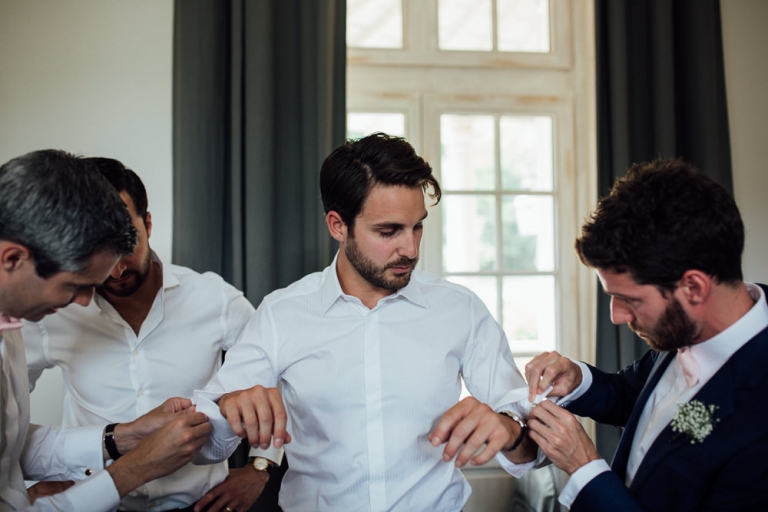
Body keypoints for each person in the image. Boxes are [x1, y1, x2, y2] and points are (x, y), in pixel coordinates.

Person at [191, 132, 542, 511]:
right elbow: (206, 446)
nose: (410, 248)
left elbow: (531, 451)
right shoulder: (280, 315)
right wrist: (230, 405)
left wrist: (509, 427)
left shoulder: (461, 311)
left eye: (417, 226)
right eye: (388, 231)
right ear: (338, 226)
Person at [22, 157, 282, 512]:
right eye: (99, 250)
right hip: (94, 505)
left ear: (147, 224)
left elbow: (277, 379)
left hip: (198, 505)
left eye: (126, 244)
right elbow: (10, 413)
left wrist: (261, 466)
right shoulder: (54, 311)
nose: (116, 270)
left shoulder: (214, 299)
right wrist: (40, 481)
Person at [524, 159, 768, 511]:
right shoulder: (685, 326)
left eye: (629, 299)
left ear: (694, 287)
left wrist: (584, 469)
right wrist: (576, 380)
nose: (617, 316)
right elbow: (635, 398)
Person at [0, 150, 211, 511]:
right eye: (75, 284)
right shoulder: (34, 320)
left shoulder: (14, 320)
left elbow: (10, 444)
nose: (84, 302)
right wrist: (135, 469)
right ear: (13, 259)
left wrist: (124, 436)